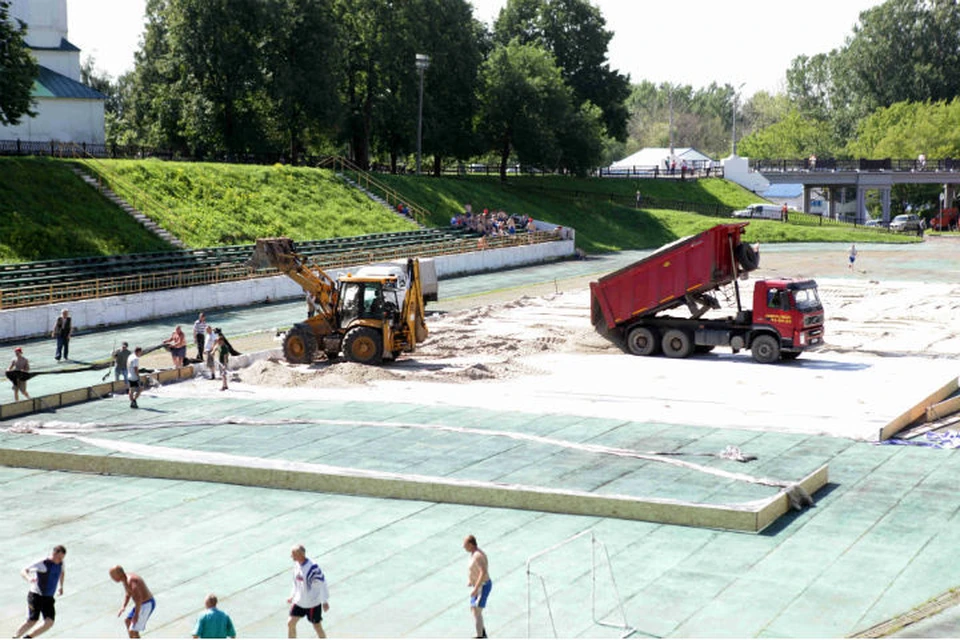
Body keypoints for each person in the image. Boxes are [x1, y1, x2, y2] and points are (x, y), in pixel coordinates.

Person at [13, 545, 66, 639]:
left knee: (49, 622)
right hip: (36, 595)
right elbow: (24, 571)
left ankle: (28, 637)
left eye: (62, 558)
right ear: (54, 554)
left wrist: (61, 586)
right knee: (32, 621)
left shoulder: (61, 563)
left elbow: (62, 572)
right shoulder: (43, 563)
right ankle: (15, 637)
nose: (60, 560)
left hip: (48, 597)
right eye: (59, 557)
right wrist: (29, 578)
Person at [287, 544, 330, 638]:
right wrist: (292, 596)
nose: (291, 556)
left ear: (300, 554)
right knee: (290, 623)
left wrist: (324, 601)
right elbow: (296, 583)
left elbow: (322, 583)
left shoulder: (313, 567)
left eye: (293, 554)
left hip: (312, 603)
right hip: (299, 601)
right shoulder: (296, 565)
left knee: (317, 627)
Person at [109, 565, 156, 638]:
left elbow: (138, 598)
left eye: (112, 576)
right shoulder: (124, 579)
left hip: (147, 604)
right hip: (141, 604)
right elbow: (128, 593)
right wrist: (123, 606)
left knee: (133, 630)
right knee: (128, 621)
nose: (111, 578)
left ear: (119, 574)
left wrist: (136, 615)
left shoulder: (130, 580)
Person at [464, 534, 491, 639]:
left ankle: (480, 636)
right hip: (477, 586)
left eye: (465, 545)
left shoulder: (478, 556)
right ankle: (482, 631)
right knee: (473, 608)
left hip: (482, 586)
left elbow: (483, 572)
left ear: (471, 544)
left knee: (477, 610)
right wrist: (471, 580)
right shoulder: (473, 554)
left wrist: (476, 589)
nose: (464, 547)